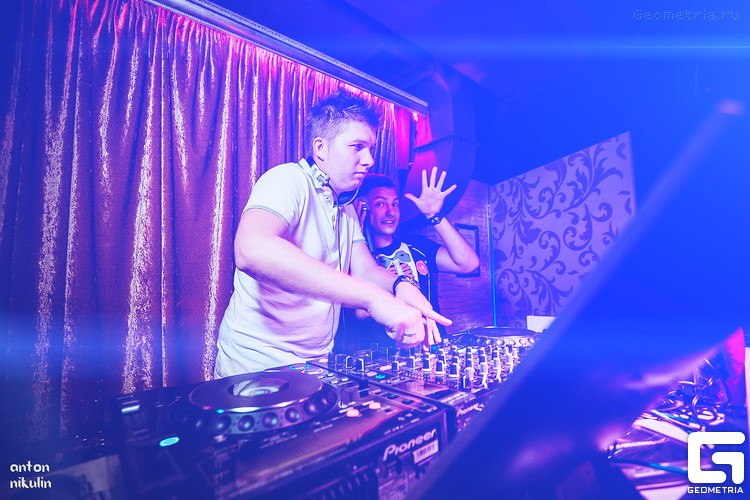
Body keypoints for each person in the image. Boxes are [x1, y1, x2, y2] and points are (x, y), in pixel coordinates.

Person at [214, 90, 450, 377]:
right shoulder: (287, 179)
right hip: (255, 366)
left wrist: (401, 285)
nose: (369, 160)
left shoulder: (345, 206)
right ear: (321, 148)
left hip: (314, 365)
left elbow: (365, 270)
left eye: (371, 148)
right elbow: (252, 249)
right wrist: (374, 299)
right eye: (357, 147)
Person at [338, 168, 479, 350]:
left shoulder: (417, 246)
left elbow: (468, 264)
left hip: (432, 349)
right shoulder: (350, 257)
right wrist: (354, 227)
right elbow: (359, 312)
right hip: (383, 358)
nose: (390, 212)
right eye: (380, 204)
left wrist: (434, 215)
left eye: (395, 204)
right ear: (362, 207)